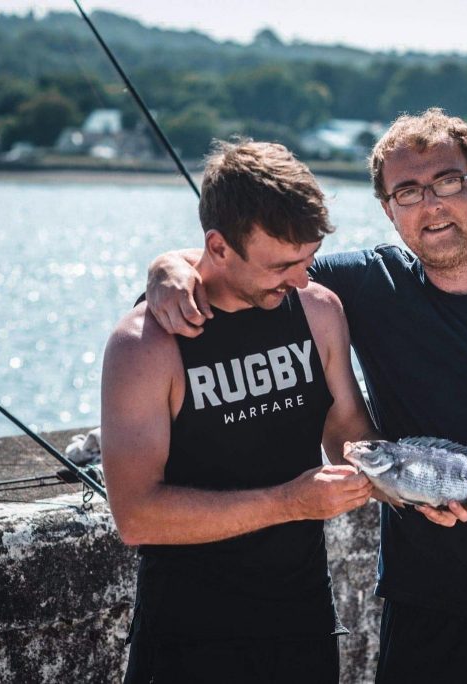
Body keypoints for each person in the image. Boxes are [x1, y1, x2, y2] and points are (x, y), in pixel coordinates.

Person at [145, 109, 467, 682]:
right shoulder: (366, 285)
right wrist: (167, 267)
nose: (431, 204)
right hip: (421, 616)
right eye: (408, 191)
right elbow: (250, 261)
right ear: (388, 209)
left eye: (448, 182)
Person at [100, 140, 378, 683]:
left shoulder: (318, 311)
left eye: (308, 259)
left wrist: (417, 485)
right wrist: (288, 503)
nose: (300, 279)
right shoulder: (145, 345)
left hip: (305, 631)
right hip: (188, 642)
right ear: (219, 247)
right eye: (281, 265)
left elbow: (345, 428)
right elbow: (136, 515)